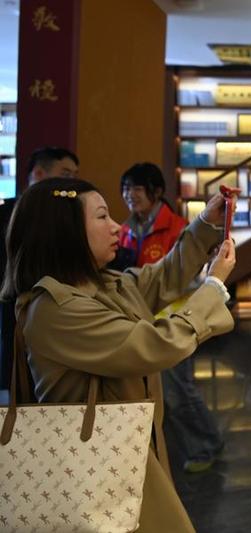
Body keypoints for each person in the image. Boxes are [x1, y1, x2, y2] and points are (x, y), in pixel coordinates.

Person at [1, 177, 237, 532]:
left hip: (124, 452)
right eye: (101, 217)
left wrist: (206, 223)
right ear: (65, 232)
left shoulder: (97, 285)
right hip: (95, 463)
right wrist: (214, 287)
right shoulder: (54, 309)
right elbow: (155, 345)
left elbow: (163, 277)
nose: (116, 227)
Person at [115, 162, 225, 473]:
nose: (129, 195)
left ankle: (206, 444)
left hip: (172, 321)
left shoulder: (178, 228)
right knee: (166, 391)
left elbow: (184, 277)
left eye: (136, 188)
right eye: (125, 189)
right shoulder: (124, 230)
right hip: (140, 323)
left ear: (157, 191)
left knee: (179, 390)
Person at [0, 147, 79, 391]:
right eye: (66, 174)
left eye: (75, 175)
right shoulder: (6, 213)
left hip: (55, 309)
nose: (72, 182)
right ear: (39, 174)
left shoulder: (70, 216)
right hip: (10, 308)